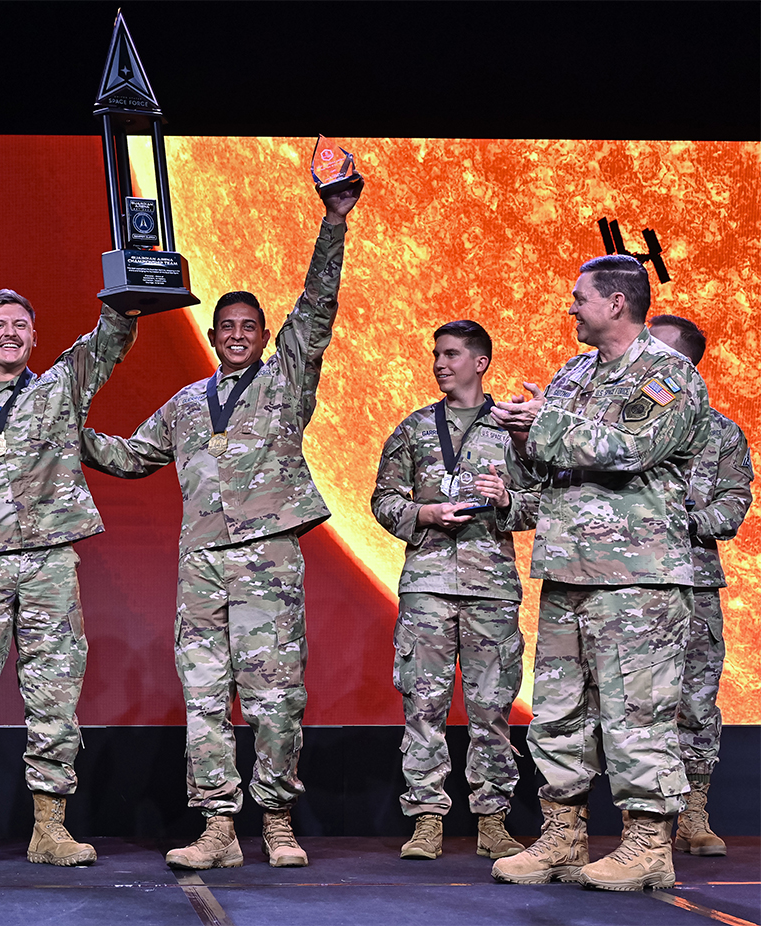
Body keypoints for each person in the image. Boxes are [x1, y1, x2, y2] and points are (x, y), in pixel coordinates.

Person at [80, 182, 360, 869]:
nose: (237, 335)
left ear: (264, 339)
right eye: (227, 328)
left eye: (248, 328)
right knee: (205, 699)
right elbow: (131, 456)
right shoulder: (184, 403)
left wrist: (334, 221)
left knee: (275, 696)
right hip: (202, 566)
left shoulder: (285, 382)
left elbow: (317, 306)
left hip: (266, 559)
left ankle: (278, 821)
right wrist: (71, 432)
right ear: (213, 338)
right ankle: (216, 829)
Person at [488, 255, 711, 891]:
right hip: (568, 567)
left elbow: (630, 448)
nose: (571, 307)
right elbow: (548, 462)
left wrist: (547, 424)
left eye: (580, 297)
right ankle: (562, 835)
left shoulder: (668, 375)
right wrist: (521, 433)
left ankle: (647, 844)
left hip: (636, 576)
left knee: (637, 712)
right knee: (560, 709)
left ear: (617, 303)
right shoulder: (576, 372)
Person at [0, 289, 136, 872]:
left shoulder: (59, 388)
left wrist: (127, 296)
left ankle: (49, 831)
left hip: (48, 567)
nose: (9, 333)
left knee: (55, 698)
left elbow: (107, 344)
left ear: (34, 337)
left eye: (20, 325)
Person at [371, 320, 539, 861]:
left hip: (491, 587)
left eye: (451, 354)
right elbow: (383, 500)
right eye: (436, 354)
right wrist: (422, 512)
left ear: (480, 362)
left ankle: (492, 819)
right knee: (424, 704)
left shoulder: (514, 428)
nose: (440, 363)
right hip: (428, 583)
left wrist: (508, 500)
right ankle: (426, 818)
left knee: (491, 705)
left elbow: (547, 502)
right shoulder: (415, 428)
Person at [647, 314, 753, 857]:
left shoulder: (722, 433)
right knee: (633, 703)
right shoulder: (630, 424)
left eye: (659, 350)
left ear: (686, 364)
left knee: (695, 702)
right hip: (634, 584)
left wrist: (684, 520)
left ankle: (693, 812)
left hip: (694, 581)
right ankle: (641, 820)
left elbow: (734, 504)